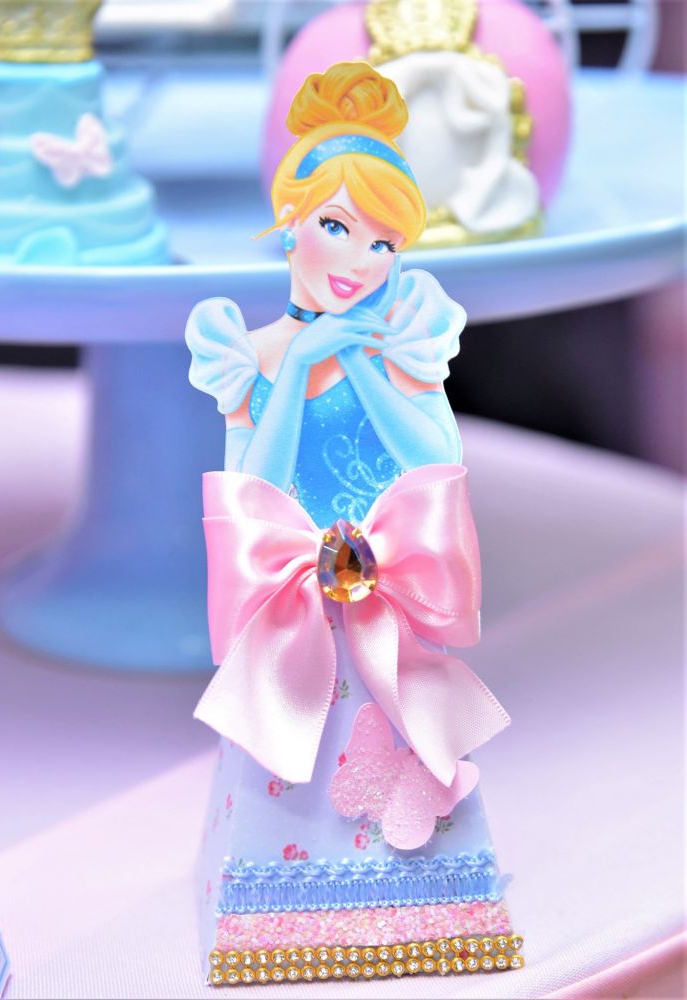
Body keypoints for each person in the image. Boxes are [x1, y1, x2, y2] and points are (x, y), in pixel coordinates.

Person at [187, 62, 518, 986]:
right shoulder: (251, 354)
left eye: (382, 242)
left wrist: (362, 362)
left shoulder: (402, 350)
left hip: (392, 597)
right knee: (289, 749)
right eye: (336, 226)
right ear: (290, 219)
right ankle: (272, 914)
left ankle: (433, 907)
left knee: (404, 727)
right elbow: (252, 487)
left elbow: (435, 461)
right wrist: (297, 365)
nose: (358, 259)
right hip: (294, 607)